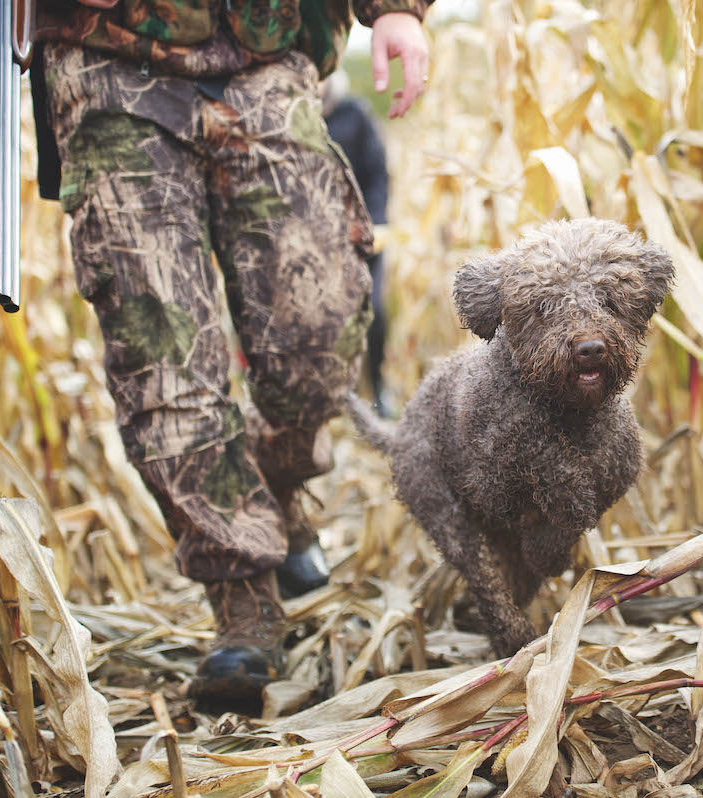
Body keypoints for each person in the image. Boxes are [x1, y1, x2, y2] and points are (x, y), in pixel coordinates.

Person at [29, 0, 431, 705]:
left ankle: (272, 485)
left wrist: (398, 8)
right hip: (109, 57)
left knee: (319, 336)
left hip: (268, 51)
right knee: (162, 357)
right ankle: (243, 600)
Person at [323, 81, 393, 416]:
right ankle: (342, 396)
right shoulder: (294, 116)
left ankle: (377, 388)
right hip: (320, 241)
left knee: (374, 312)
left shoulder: (355, 115)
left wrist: (376, 222)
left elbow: (378, 174)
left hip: (363, 236)